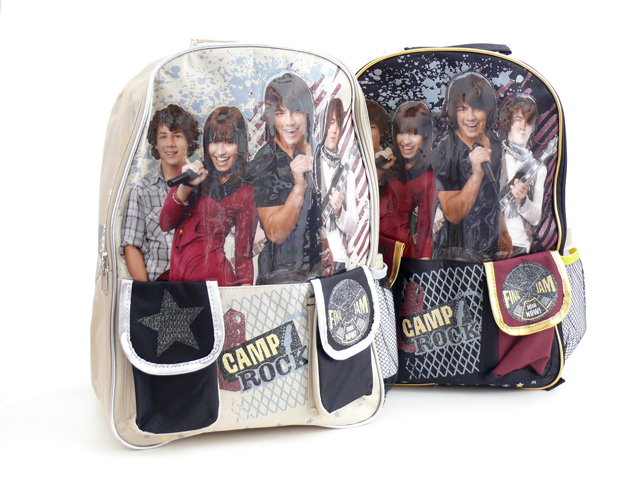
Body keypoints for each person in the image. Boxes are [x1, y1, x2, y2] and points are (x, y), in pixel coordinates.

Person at [158, 106, 257, 286]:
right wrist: (186, 185)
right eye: (214, 142)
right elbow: (165, 223)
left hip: (217, 285)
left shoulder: (245, 192)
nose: (220, 151)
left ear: (240, 145)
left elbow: (243, 256)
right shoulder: (189, 173)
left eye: (229, 142)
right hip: (179, 283)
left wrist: (245, 295)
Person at [248, 72, 325, 284]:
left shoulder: (319, 150)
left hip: (320, 273)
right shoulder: (265, 162)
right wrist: (299, 186)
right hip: (280, 278)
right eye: (281, 113)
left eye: (296, 111)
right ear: (272, 116)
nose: (289, 121)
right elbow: (275, 233)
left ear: (307, 113)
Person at [432, 72, 511, 261]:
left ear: (488, 111)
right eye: (462, 109)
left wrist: (502, 232)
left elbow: (493, 194)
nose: (470, 117)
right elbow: (453, 214)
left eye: (477, 108)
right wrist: (476, 175)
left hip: (490, 248)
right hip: (454, 254)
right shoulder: (445, 152)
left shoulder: (494, 143)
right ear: (454, 112)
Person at [120, 104, 200, 281]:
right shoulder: (141, 191)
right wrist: (148, 292)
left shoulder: (205, 185)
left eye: (177, 135)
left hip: (200, 285)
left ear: (189, 140)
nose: (170, 143)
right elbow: (132, 246)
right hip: (159, 284)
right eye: (163, 136)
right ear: (155, 143)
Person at [378, 101, 437, 259]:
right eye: (401, 132)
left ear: (425, 136)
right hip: (370, 248)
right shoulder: (387, 163)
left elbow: (425, 231)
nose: (406, 140)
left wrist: (422, 270)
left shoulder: (427, 176)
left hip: (401, 254)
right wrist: (379, 168)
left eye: (414, 133)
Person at [313, 97, 358, 274]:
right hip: (311, 260)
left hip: (338, 260)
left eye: (338, 124)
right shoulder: (310, 167)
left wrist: (339, 212)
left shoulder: (347, 175)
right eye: (330, 122)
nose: (334, 130)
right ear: (322, 125)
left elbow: (352, 227)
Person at [499, 95, 547, 256]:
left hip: (520, 248)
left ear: (533, 128)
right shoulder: (492, 158)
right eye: (518, 119)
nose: (523, 127)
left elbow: (536, 218)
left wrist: (523, 201)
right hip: (487, 244)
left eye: (529, 122)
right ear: (509, 122)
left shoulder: (539, 169)